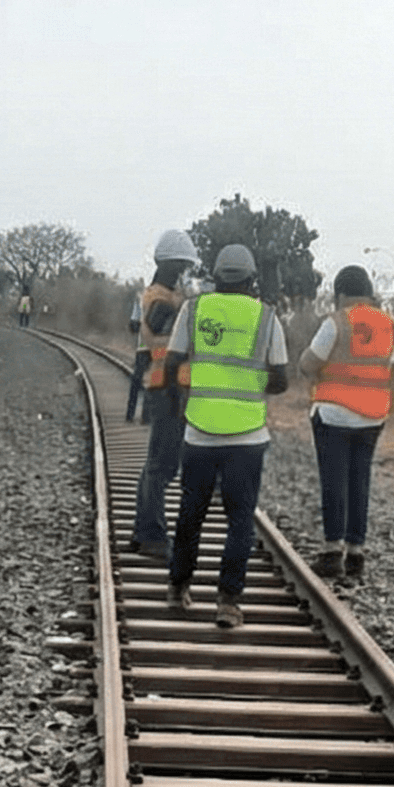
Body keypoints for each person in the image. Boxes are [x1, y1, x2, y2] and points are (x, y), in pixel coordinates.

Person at [162, 243, 288, 629]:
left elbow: (171, 365)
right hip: (248, 438)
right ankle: (229, 603)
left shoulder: (194, 309)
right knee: (239, 521)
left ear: (215, 276)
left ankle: (178, 586)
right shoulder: (267, 317)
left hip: (199, 432)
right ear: (252, 280)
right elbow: (281, 380)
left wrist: (184, 401)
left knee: (190, 515)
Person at [300, 265, 394, 581]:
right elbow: (390, 360)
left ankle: (332, 552)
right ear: (369, 292)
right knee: (360, 480)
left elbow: (308, 362)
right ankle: (356, 555)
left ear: (340, 294)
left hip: (334, 413)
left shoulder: (337, 321)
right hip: (373, 414)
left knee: (334, 480)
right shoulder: (388, 325)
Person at [125, 229, 201, 559]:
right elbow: (160, 325)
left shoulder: (162, 294)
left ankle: (143, 531)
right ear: (172, 265)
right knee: (163, 465)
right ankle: (153, 535)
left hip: (166, 385)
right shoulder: (160, 297)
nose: (187, 273)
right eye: (184, 266)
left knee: (158, 464)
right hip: (168, 387)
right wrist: (188, 306)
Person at [124, 288, 148, 423]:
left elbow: (133, 324)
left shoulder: (141, 296)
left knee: (136, 380)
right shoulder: (172, 297)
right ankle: (147, 416)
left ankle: (130, 414)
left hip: (143, 346)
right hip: (161, 349)